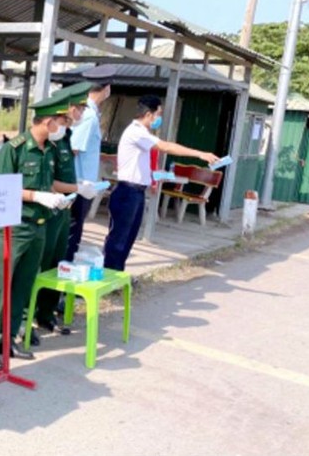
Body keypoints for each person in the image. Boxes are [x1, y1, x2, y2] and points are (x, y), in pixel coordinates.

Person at [0, 93, 79, 370]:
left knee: (22, 287)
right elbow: (2, 188)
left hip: (39, 227)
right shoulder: (15, 149)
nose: (65, 127)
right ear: (47, 121)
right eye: (62, 122)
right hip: (13, 227)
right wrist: (37, 196)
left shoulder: (50, 150)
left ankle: (8, 338)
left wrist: (59, 197)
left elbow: (52, 184)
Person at [103, 95, 219, 271]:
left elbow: (141, 164)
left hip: (136, 192)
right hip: (127, 191)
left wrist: (155, 176)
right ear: (149, 114)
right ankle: (110, 274)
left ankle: (117, 275)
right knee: (119, 238)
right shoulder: (136, 132)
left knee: (128, 237)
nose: (159, 118)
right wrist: (200, 154)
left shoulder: (143, 134)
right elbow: (166, 147)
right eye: (159, 113)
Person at [34, 83, 92, 333]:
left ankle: (46, 313)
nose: (80, 114)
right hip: (49, 208)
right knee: (39, 265)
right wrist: (75, 189)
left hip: (63, 208)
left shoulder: (66, 137)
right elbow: (47, 180)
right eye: (78, 108)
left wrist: (76, 187)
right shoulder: (52, 140)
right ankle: (30, 314)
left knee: (55, 264)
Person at [67, 80, 111, 261]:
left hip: (80, 183)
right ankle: (62, 270)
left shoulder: (91, 113)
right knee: (71, 232)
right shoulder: (89, 115)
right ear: (107, 89)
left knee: (73, 230)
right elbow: (73, 148)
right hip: (78, 183)